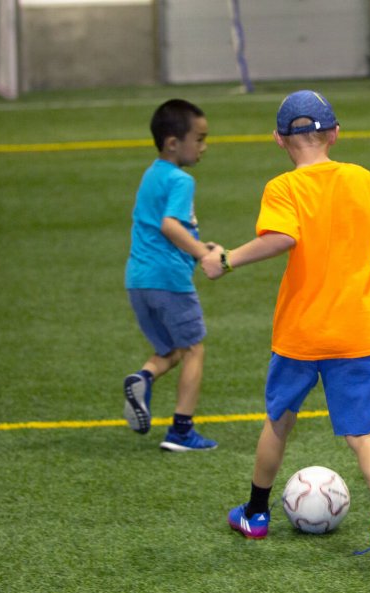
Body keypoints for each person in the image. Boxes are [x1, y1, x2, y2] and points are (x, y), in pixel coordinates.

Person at [201, 90, 370, 565]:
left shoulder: (283, 188)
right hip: (358, 329)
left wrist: (226, 259)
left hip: (301, 332)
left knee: (280, 422)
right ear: (335, 133)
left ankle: (255, 514)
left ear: (278, 140)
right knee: (363, 433)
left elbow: (282, 238)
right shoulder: (361, 178)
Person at [123, 99, 219, 452]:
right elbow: (168, 226)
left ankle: (143, 377)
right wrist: (204, 254)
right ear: (173, 143)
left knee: (173, 349)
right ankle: (181, 431)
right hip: (169, 280)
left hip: (138, 280)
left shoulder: (152, 174)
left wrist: (197, 242)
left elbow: (161, 225)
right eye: (200, 138)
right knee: (194, 349)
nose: (204, 147)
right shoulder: (181, 179)